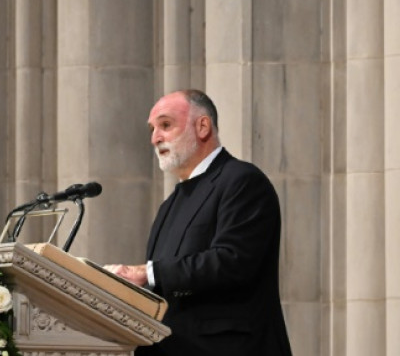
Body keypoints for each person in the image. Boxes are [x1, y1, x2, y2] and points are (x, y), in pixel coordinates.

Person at [106, 89, 292, 355]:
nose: (155, 138)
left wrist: (147, 273)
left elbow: (232, 261)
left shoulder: (242, 181)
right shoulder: (168, 206)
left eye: (166, 125)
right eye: (152, 129)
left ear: (202, 126)